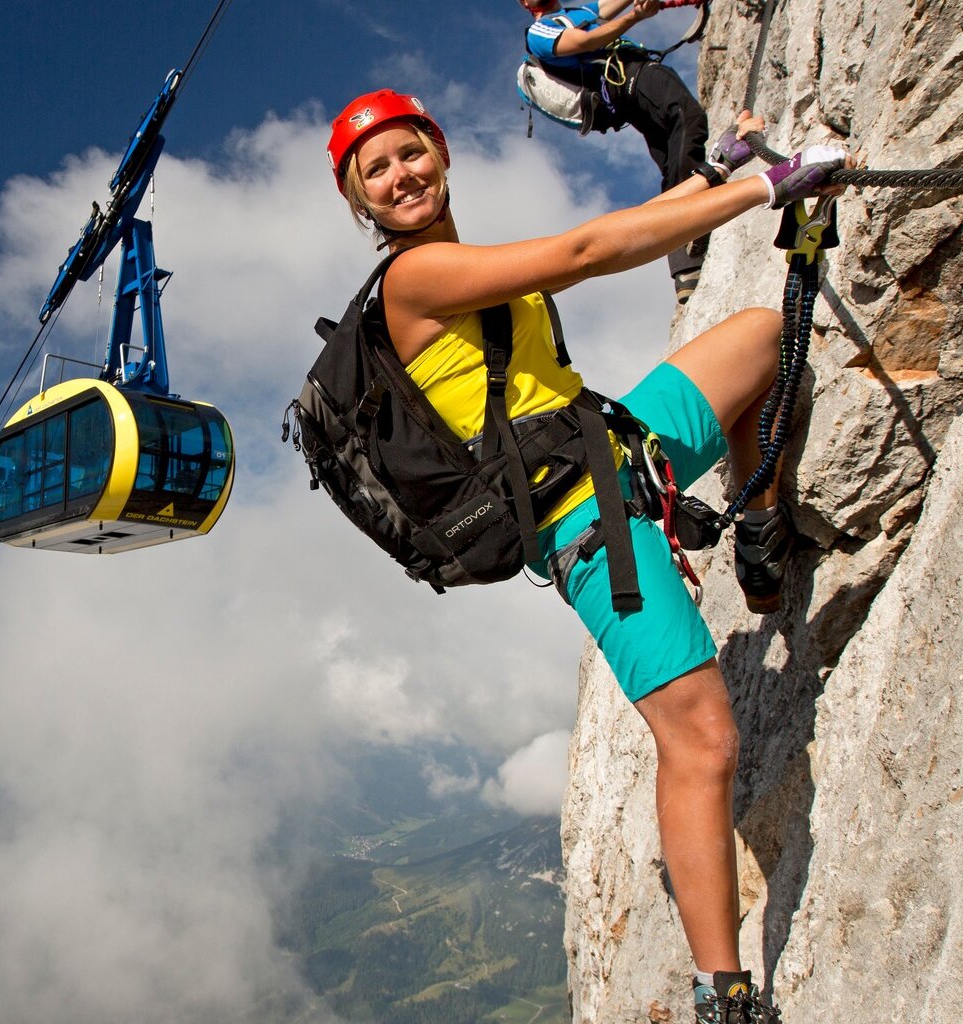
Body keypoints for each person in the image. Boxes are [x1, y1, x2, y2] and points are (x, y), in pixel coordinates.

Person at [323, 89, 844, 1023]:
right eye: (377, 171)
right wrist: (765, 191)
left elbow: (621, 227)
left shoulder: (465, 264)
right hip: (584, 530)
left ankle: (757, 528)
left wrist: (713, 174)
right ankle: (722, 993)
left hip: (620, 453)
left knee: (765, 338)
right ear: (359, 202)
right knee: (702, 739)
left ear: (440, 155)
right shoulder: (413, 282)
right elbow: (586, 252)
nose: (400, 177)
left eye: (410, 154)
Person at [520, 0, 716, 302]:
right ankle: (691, 231)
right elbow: (585, 41)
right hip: (629, 77)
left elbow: (609, 5)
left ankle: (683, 263)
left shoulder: (576, 13)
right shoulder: (540, 30)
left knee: (671, 154)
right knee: (687, 118)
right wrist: (636, 16)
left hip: (628, 89)